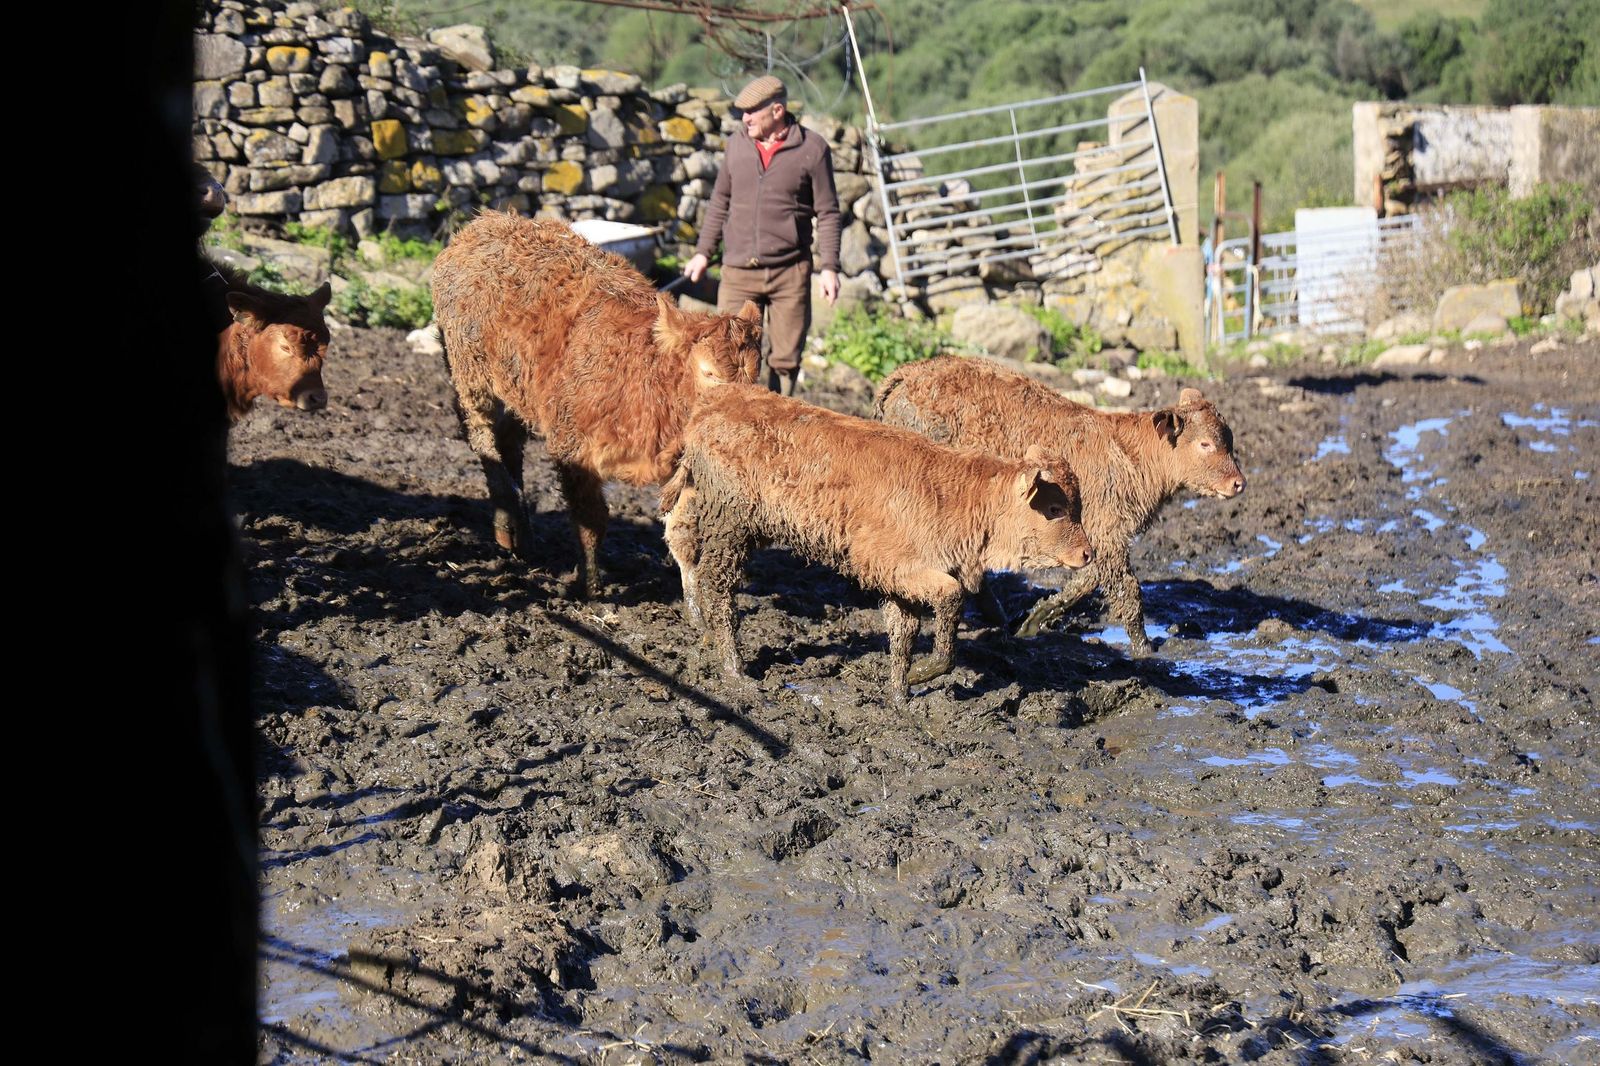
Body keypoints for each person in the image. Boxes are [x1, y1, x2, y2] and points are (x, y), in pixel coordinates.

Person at [683, 74, 841, 396]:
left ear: (778, 111)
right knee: (728, 352)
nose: (745, 118)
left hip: (789, 272)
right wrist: (702, 252)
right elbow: (720, 202)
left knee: (785, 359)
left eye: (753, 111)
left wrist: (829, 268)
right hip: (739, 270)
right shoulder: (736, 145)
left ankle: (775, 424)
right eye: (743, 112)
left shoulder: (812, 150)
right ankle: (728, 423)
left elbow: (828, 212)